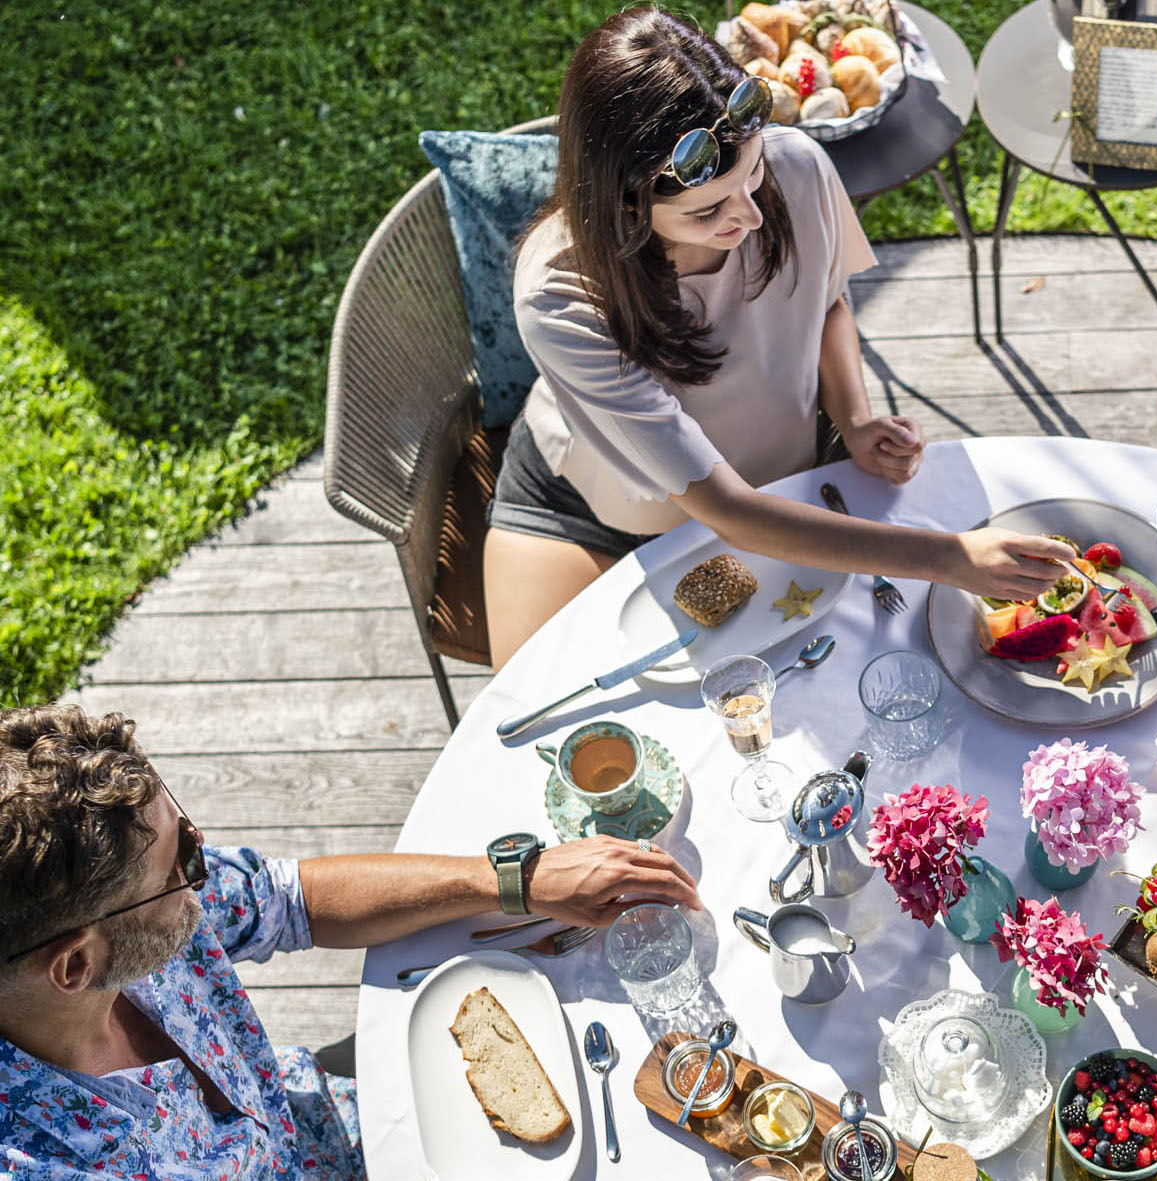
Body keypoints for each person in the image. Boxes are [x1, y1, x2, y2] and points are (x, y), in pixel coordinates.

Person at [487, 8, 1071, 668]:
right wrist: (948, 556)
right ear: (625, 204)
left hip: (782, 490)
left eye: (753, 172)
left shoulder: (798, 166)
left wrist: (851, 418)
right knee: (531, 710)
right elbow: (728, 510)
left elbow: (826, 304)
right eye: (709, 209)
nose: (754, 214)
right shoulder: (559, 294)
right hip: (599, 511)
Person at [0, 705, 699, 1178]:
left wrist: (517, 878)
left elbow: (290, 898)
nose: (202, 854)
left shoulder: (127, 904)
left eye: (182, 825)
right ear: (75, 964)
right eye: (181, 861)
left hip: (344, 1120)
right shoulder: (55, 1160)